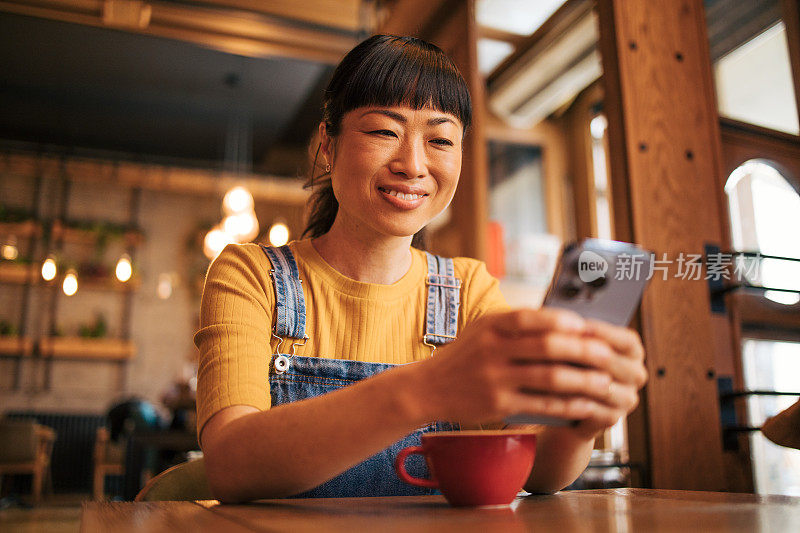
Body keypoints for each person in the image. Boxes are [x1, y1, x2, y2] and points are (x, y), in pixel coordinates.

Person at [195, 34, 647, 503]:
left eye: (440, 139)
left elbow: (536, 472)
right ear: (328, 145)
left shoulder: (468, 288)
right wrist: (428, 386)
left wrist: (580, 420)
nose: (413, 164)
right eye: (384, 132)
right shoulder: (250, 274)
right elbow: (230, 464)